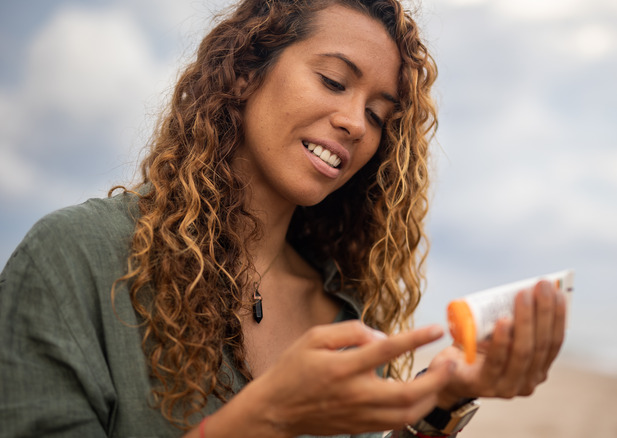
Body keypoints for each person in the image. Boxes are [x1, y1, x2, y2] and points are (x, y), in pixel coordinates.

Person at [0, 0, 568, 436]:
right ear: (245, 73)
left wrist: (438, 401)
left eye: (377, 114)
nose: (355, 123)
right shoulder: (75, 259)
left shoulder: (343, 319)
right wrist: (266, 417)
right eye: (333, 81)